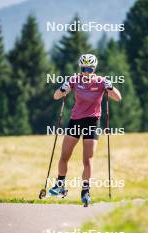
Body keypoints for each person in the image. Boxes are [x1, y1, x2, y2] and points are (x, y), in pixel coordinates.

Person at [49, 54, 122, 205]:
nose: (86, 72)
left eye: (89, 69)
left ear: (94, 69)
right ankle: (60, 186)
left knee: (87, 159)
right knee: (64, 156)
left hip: (92, 121)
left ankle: (85, 192)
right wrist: (62, 88)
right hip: (75, 120)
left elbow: (118, 97)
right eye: (83, 69)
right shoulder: (74, 80)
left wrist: (111, 87)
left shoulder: (101, 82)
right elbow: (56, 96)